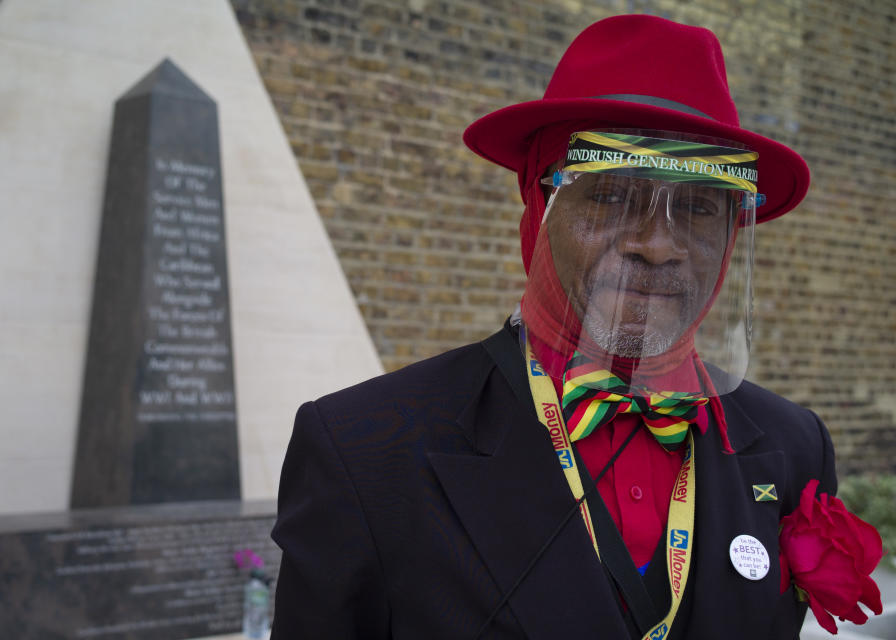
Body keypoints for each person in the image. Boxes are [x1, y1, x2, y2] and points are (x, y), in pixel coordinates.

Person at [270, 14, 837, 640]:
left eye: (699, 206)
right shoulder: (364, 451)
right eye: (612, 193)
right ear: (540, 206)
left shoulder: (794, 446)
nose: (657, 244)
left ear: (732, 235)